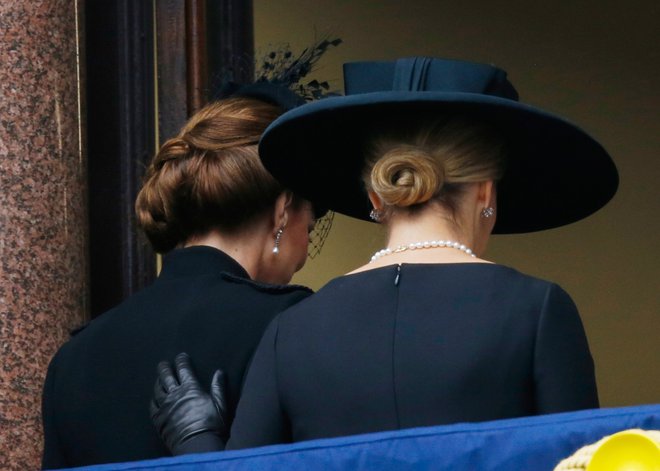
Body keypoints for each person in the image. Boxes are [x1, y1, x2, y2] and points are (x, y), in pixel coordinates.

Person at [153, 57, 618, 451]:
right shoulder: (537, 310)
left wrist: (198, 441)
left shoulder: (291, 330)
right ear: (485, 192)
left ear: (376, 197)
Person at [40, 95, 317, 468]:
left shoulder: (72, 359)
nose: (304, 253)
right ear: (283, 211)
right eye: (311, 227)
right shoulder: (292, 324)